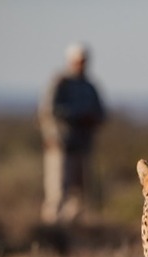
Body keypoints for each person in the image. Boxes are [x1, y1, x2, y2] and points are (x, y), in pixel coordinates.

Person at [38, 43, 106, 224]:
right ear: (70, 61)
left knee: (80, 194)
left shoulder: (90, 86)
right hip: (60, 145)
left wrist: (91, 119)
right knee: (57, 192)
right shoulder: (61, 83)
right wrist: (76, 116)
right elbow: (48, 110)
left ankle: (74, 234)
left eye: (84, 61)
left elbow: (101, 113)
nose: (81, 65)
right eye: (78, 61)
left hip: (83, 146)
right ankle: (51, 232)